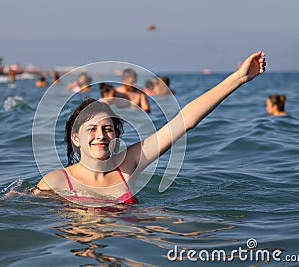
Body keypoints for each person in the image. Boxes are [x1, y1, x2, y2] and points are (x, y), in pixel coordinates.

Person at [34, 51, 266, 205]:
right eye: (91, 129)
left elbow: (185, 121)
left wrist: (238, 78)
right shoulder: (55, 182)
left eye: (107, 129)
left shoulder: (128, 163)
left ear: (116, 135)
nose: (100, 136)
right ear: (76, 137)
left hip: (134, 240)